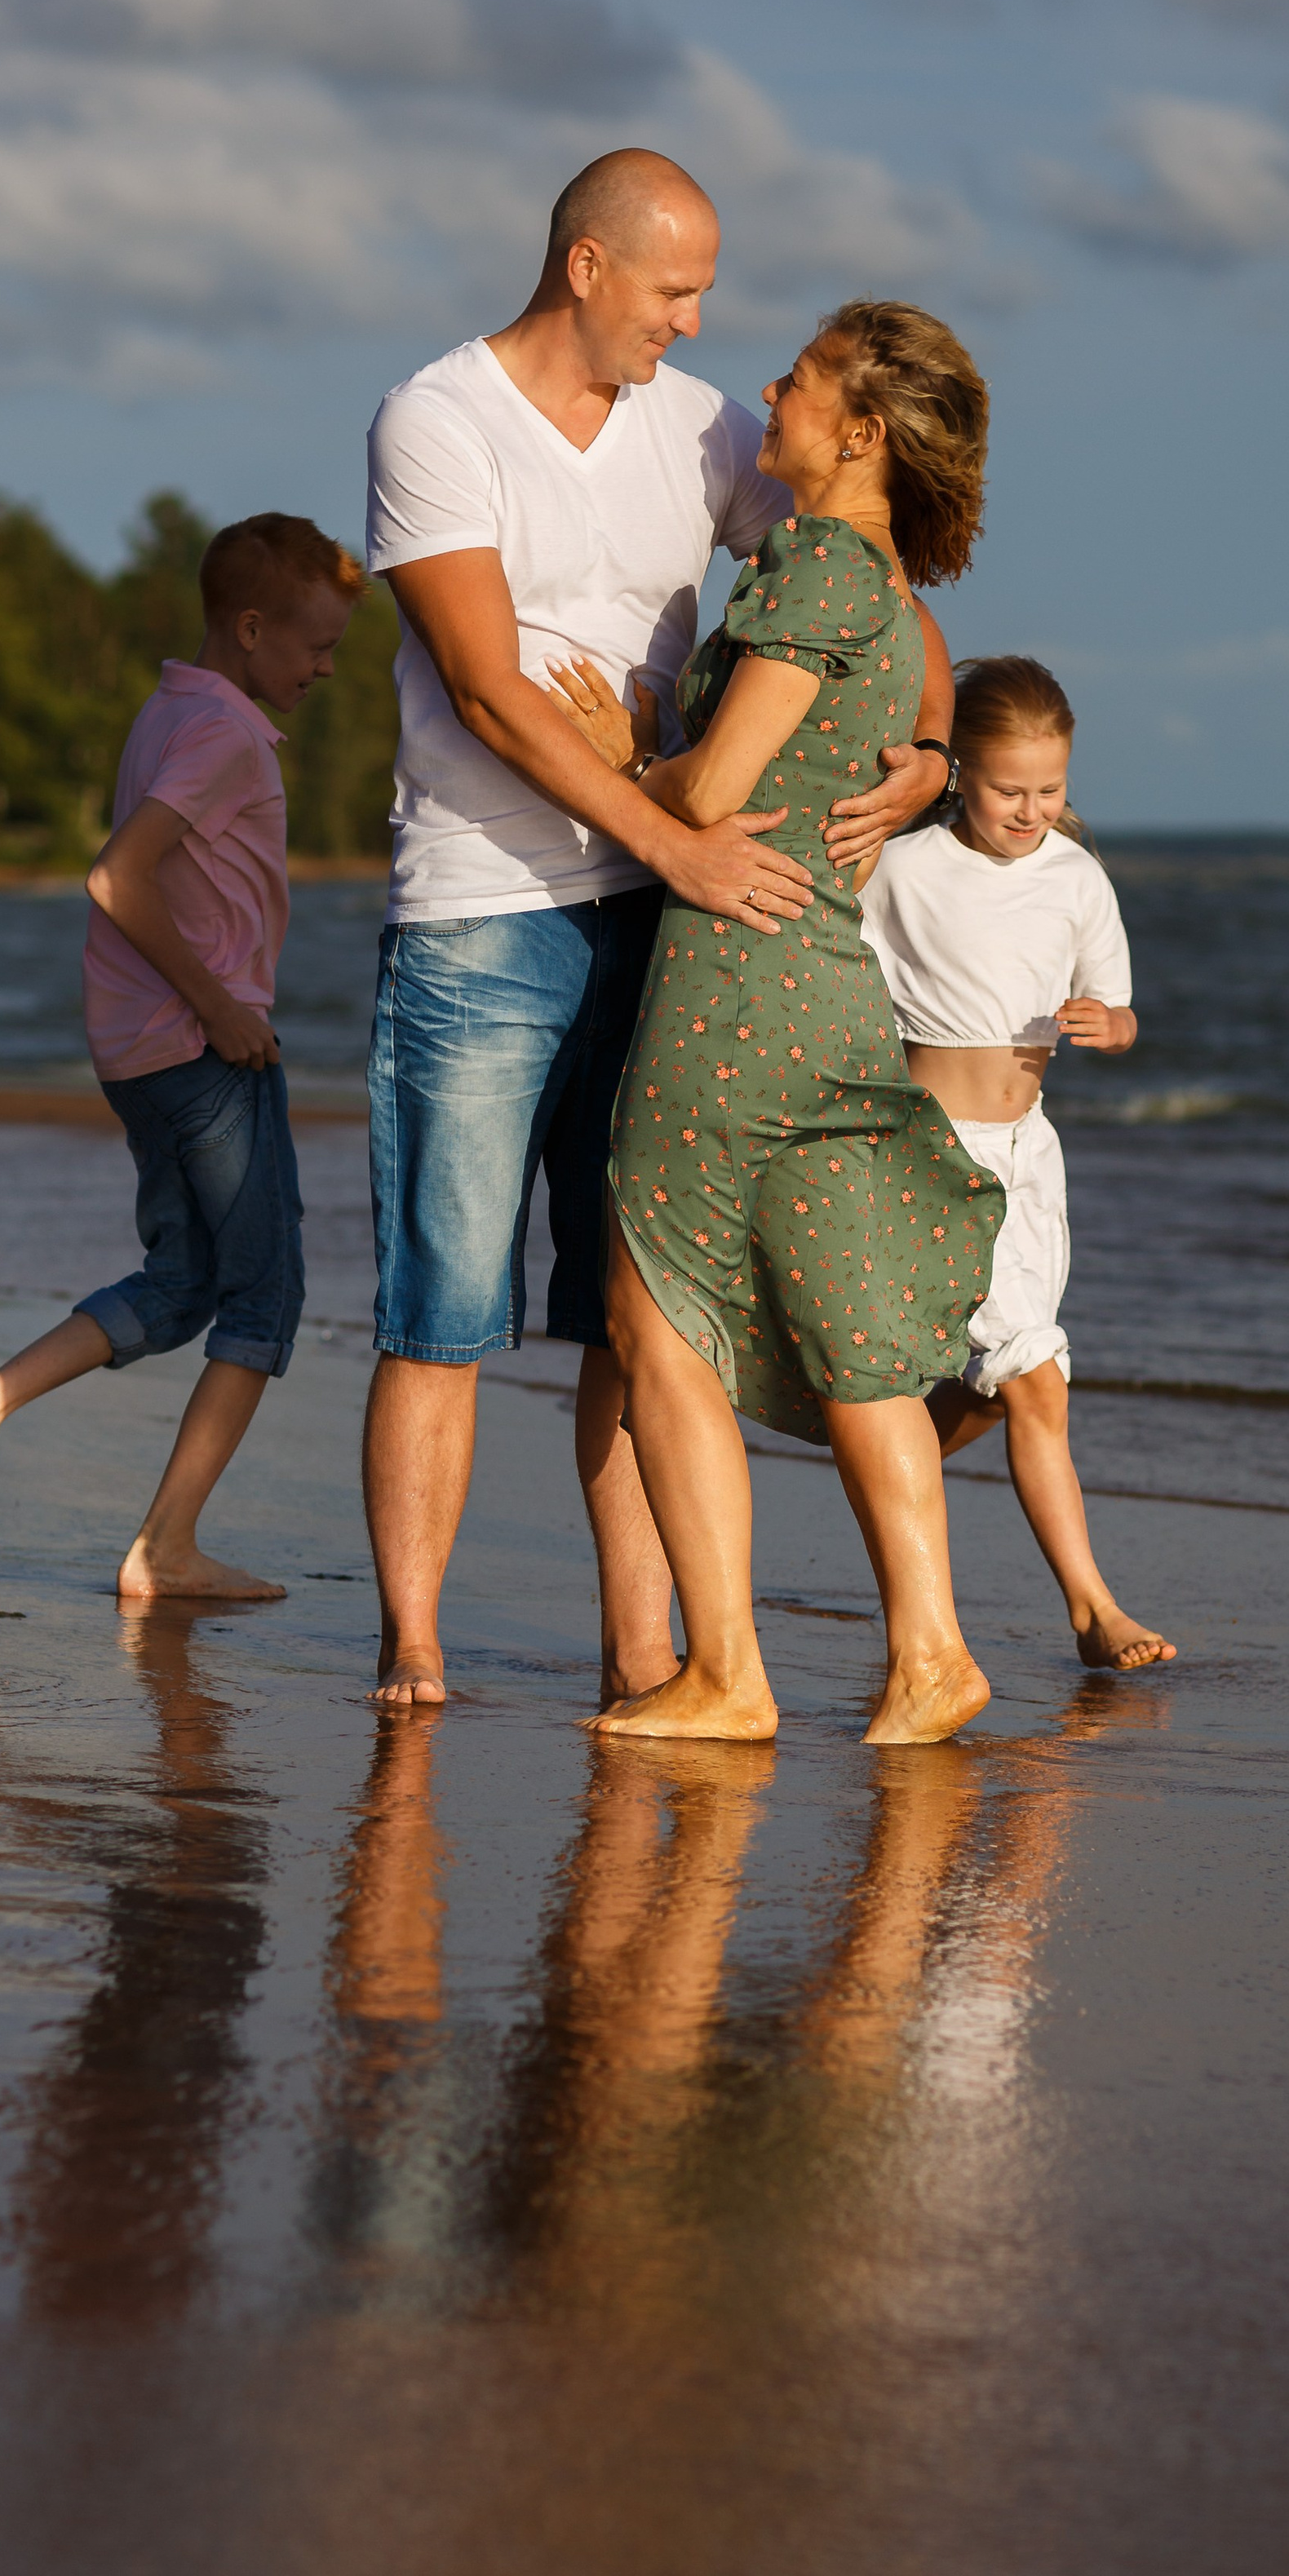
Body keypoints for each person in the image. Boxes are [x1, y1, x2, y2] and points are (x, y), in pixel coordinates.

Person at [360, 149, 955, 1711]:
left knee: (640, 1309)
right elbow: (487, 688)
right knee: (444, 1305)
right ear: (587, 269)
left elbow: (862, 565)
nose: (696, 326)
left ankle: (648, 1652)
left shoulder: (699, 431)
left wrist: (933, 759)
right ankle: (413, 1652)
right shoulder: (436, 419)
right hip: (486, 913)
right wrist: (672, 835)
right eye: (676, 290)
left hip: (665, 933)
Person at [556, 300, 1001, 1748]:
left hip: (732, 979)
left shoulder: (813, 558)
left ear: (862, 432)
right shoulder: (869, 576)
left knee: (652, 1306)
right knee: (851, 1325)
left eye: (799, 380)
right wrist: (931, 757)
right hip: (819, 977)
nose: (770, 388)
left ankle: (729, 1671)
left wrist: (615, 744)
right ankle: (929, 1654)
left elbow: (703, 794)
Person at [0, 513, 361, 1599]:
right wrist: (223, 1009)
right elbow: (118, 877)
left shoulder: (173, 710)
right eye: (317, 645)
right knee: (264, 1298)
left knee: (185, 1280)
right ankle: (166, 1548)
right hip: (202, 1049)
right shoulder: (223, 733)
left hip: (143, 1050)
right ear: (251, 630)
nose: (329, 667)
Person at [858, 656, 1176, 1671]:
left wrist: (1107, 1024)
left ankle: (877, 1447)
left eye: (1051, 790)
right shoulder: (905, 869)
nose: (1032, 810)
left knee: (1002, 1388)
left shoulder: (1076, 878)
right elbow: (832, 965)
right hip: (925, 1153)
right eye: (1009, 790)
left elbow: (1121, 1012)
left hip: (1027, 1162)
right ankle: (1090, 1609)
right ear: (961, 777)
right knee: (1035, 1384)